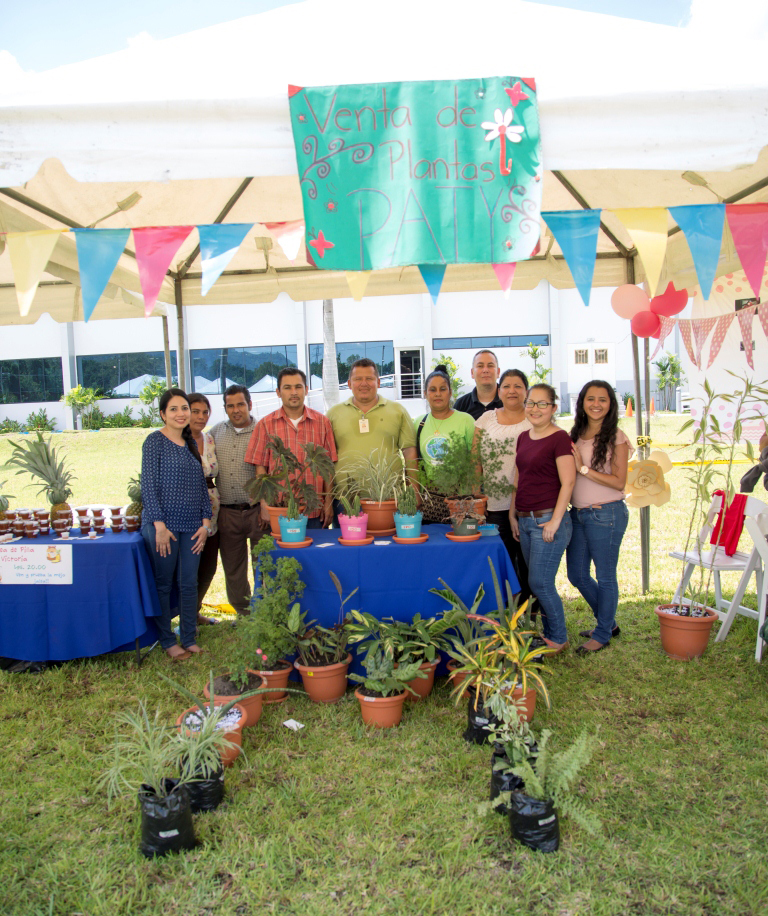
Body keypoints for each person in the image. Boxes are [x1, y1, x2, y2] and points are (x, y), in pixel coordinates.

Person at [141, 388, 212, 660]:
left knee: (188, 583)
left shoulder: (191, 444)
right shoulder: (154, 442)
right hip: (164, 528)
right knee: (164, 584)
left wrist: (205, 524)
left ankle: (189, 637)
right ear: (163, 414)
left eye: (184, 408)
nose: (181, 413)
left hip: (192, 527)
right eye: (174, 409)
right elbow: (148, 486)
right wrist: (159, 525)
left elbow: (200, 487)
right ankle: (168, 640)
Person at [509, 383, 575, 653]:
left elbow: (568, 482)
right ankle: (550, 632)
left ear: (553, 408)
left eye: (542, 404)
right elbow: (518, 478)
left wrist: (556, 521)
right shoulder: (524, 437)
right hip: (524, 520)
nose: (535, 409)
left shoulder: (560, 438)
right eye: (530, 403)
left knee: (540, 582)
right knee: (536, 581)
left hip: (547, 520)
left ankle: (559, 638)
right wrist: (513, 514)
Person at [566, 381, 631, 655]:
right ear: (582, 402)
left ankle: (603, 632)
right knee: (577, 575)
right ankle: (609, 622)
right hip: (579, 515)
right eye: (590, 398)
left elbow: (619, 482)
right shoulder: (576, 434)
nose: (596, 404)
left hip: (606, 514)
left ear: (610, 404)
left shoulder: (616, 436)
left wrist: (582, 467)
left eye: (602, 399)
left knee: (605, 576)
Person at [245, 367, 337, 529]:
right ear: (278, 392)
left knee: (314, 554)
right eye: (287, 388)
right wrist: (264, 505)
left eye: (298, 387)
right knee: (284, 555)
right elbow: (260, 469)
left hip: (314, 510)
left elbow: (328, 467)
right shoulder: (265, 425)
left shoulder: (323, 423)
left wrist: (328, 502)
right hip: (280, 509)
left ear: (306, 390)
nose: (293, 392)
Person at [327, 358, 418, 511]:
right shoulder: (333, 414)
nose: (364, 383)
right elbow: (327, 458)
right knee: (347, 536)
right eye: (358, 379)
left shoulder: (398, 411)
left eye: (369, 378)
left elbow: (409, 451)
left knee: (387, 536)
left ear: (378, 382)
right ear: (349, 384)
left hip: (388, 498)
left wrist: (414, 490)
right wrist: (327, 499)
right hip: (344, 500)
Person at [475, 369, 533, 605]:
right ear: (499, 391)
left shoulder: (536, 418)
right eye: (507, 386)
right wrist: (477, 498)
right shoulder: (487, 419)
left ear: (526, 391)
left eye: (518, 386)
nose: (512, 391)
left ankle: (531, 615)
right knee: (503, 565)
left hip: (529, 506)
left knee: (530, 567)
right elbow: (474, 460)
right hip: (494, 506)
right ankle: (507, 617)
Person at [210, 384, 261, 616]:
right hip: (227, 513)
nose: (236, 410)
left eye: (240, 404)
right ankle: (243, 613)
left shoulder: (263, 430)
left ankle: (264, 611)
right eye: (230, 406)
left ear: (249, 405)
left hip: (258, 511)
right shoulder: (215, 433)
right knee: (233, 567)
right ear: (225, 409)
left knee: (263, 563)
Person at [414, 364, 476, 524]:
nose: (437, 394)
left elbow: (475, 463)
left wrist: (474, 500)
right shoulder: (418, 423)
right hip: (429, 502)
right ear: (425, 394)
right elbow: (413, 464)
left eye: (442, 389)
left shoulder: (466, 421)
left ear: (450, 392)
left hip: (461, 501)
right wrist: (416, 498)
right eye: (432, 390)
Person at [187, 392, 220, 626]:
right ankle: (185, 617)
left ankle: (195, 611)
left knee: (208, 565)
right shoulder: (176, 440)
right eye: (195, 411)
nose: (201, 417)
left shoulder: (209, 439)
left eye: (205, 412)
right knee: (189, 566)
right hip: (188, 512)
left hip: (213, 512)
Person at [453, 349, 503, 420]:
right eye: (480, 366)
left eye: (490, 366)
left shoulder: (508, 402)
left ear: (498, 372)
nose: (485, 370)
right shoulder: (461, 405)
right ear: (472, 373)